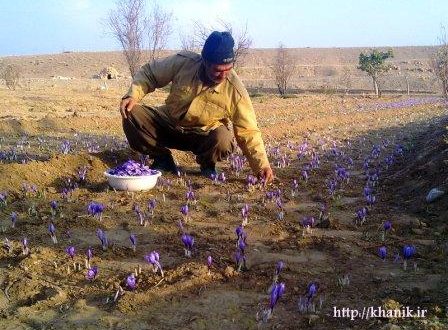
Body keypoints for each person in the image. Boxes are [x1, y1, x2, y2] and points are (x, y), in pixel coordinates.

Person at [120, 31, 274, 184]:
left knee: (224, 138)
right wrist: (133, 95)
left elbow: (248, 131)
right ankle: (162, 158)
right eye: (218, 70)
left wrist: (262, 166)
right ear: (205, 61)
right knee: (131, 112)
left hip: (202, 136)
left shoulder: (236, 91)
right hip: (168, 124)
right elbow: (150, 73)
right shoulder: (184, 62)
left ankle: (207, 164)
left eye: (228, 69)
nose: (223, 75)